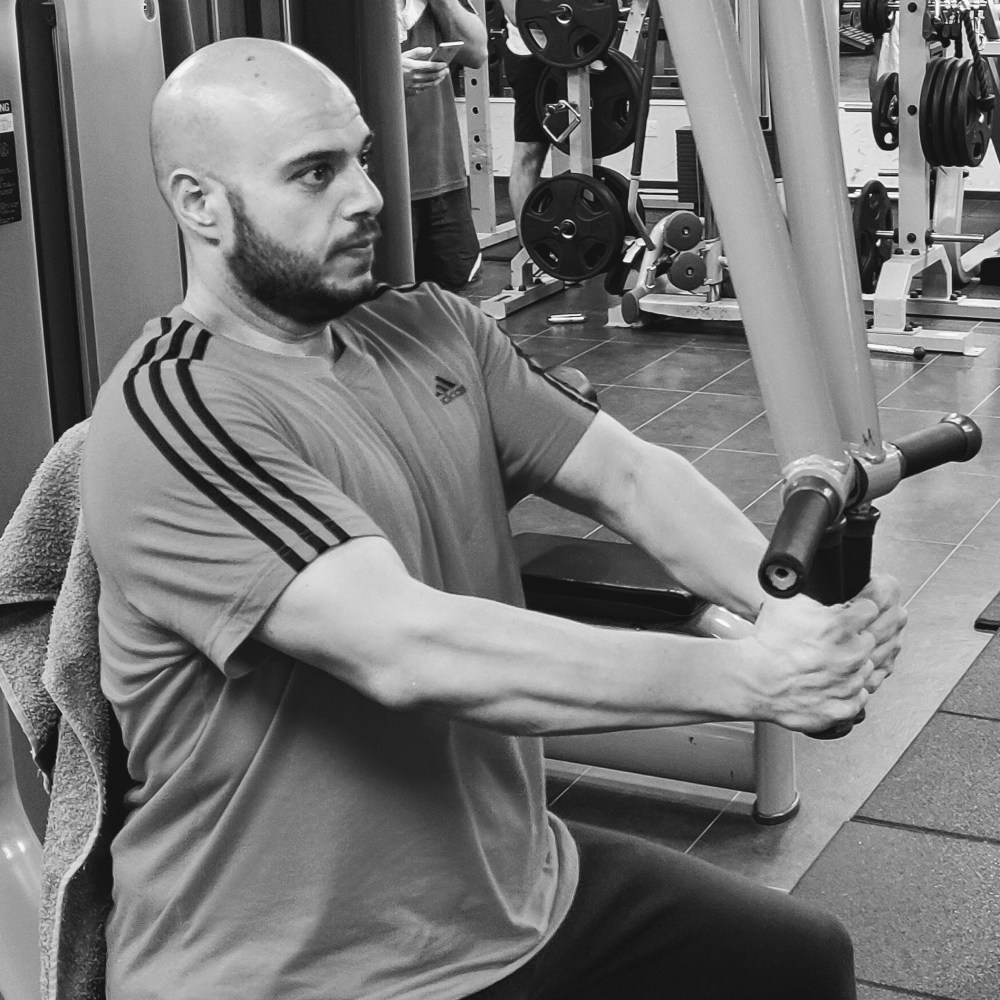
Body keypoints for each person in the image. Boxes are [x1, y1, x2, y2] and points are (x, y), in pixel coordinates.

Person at [80, 36, 906, 1000]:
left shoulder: (429, 328)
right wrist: (753, 678)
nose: (367, 196)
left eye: (361, 159)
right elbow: (406, 647)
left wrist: (791, 614)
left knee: (797, 964)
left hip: (512, 894)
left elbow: (631, 479)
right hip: (292, 965)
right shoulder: (173, 414)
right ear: (199, 204)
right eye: (314, 173)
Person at [398, 0, 487, 289]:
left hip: (441, 175)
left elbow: (477, 52)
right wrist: (387, 76)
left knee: (449, 299)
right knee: (383, 301)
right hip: (382, 182)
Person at [499, 0, 551, 234]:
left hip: (580, 51)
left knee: (588, 149)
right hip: (531, 55)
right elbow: (517, 14)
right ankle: (528, 245)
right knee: (530, 152)